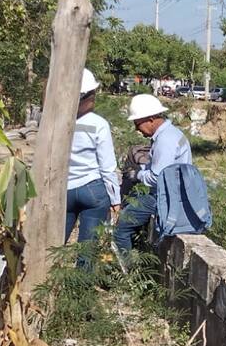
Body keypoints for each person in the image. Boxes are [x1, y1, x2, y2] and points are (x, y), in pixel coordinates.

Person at [114, 93, 191, 254]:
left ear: (150, 119)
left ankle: (127, 273)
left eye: (137, 123)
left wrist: (137, 175)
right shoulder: (172, 134)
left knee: (121, 229)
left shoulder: (165, 141)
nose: (136, 128)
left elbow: (156, 178)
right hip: (173, 192)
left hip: (163, 196)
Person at [67, 70, 121, 263]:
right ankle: (80, 290)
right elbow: (107, 167)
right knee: (87, 250)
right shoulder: (99, 124)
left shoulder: (55, 121)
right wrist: (115, 200)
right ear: (86, 96)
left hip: (64, 190)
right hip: (92, 190)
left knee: (55, 244)